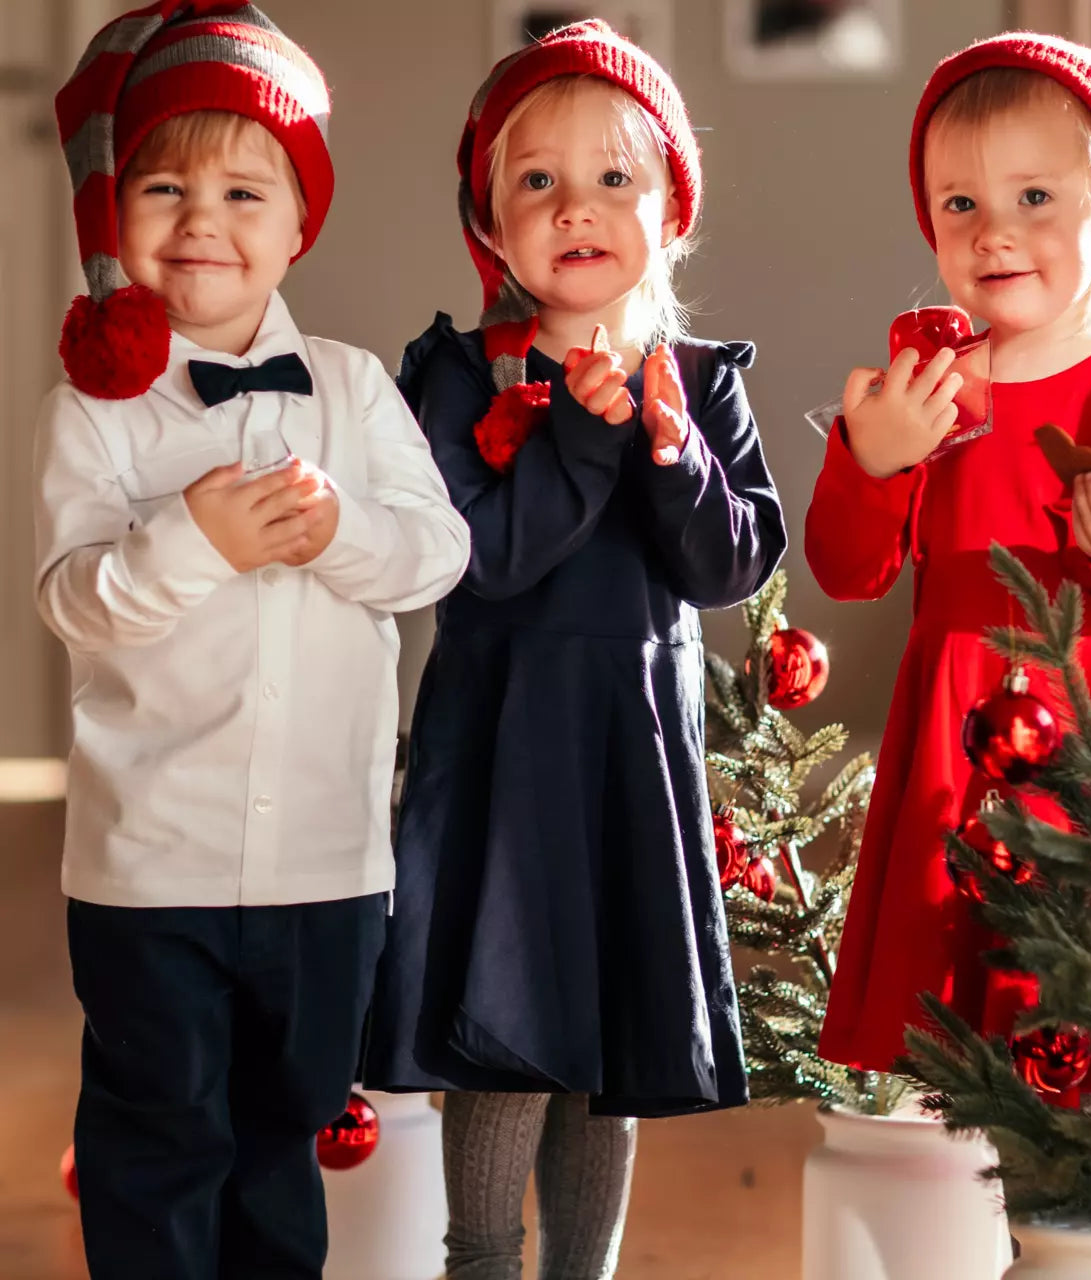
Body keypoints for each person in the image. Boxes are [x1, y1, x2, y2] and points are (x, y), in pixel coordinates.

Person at [33, 4, 469, 1276]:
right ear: (115, 215)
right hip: (148, 865)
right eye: (162, 187)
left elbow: (437, 553)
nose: (201, 220)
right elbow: (73, 598)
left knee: (281, 1133)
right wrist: (197, 541)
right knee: (158, 1135)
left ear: (296, 226)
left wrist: (335, 531)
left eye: (241, 191)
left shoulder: (350, 386)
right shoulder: (94, 413)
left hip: (325, 865)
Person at [361, 21, 786, 1278]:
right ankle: (481, 1260)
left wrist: (666, 447)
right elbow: (483, 557)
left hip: (630, 754)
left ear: (672, 213)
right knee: (505, 1022)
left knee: (605, 1037)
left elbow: (728, 566)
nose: (575, 207)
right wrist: (586, 440)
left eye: (613, 178)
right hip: (503, 750)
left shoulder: (696, 381)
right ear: (489, 221)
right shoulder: (456, 377)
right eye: (536, 180)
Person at [805, 32, 1091, 1075]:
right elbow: (846, 570)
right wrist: (873, 462)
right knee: (973, 1041)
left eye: (1033, 198)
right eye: (959, 204)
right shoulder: (930, 385)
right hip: (957, 745)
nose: (993, 231)